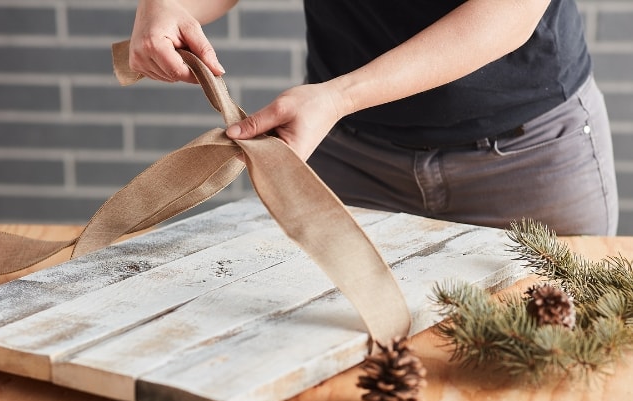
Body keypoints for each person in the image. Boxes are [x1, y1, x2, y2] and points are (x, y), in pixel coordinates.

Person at [129, 0, 618, 236]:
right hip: (350, 160)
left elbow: (508, 11)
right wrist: (169, 5)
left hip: (529, 163)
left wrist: (339, 97)